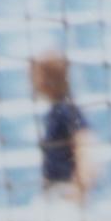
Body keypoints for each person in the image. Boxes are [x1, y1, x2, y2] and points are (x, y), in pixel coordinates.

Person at [31, 45, 97, 202]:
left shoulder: (66, 110)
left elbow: (86, 146)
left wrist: (79, 189)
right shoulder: (55, 111)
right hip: (54, 191)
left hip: (64, 193)